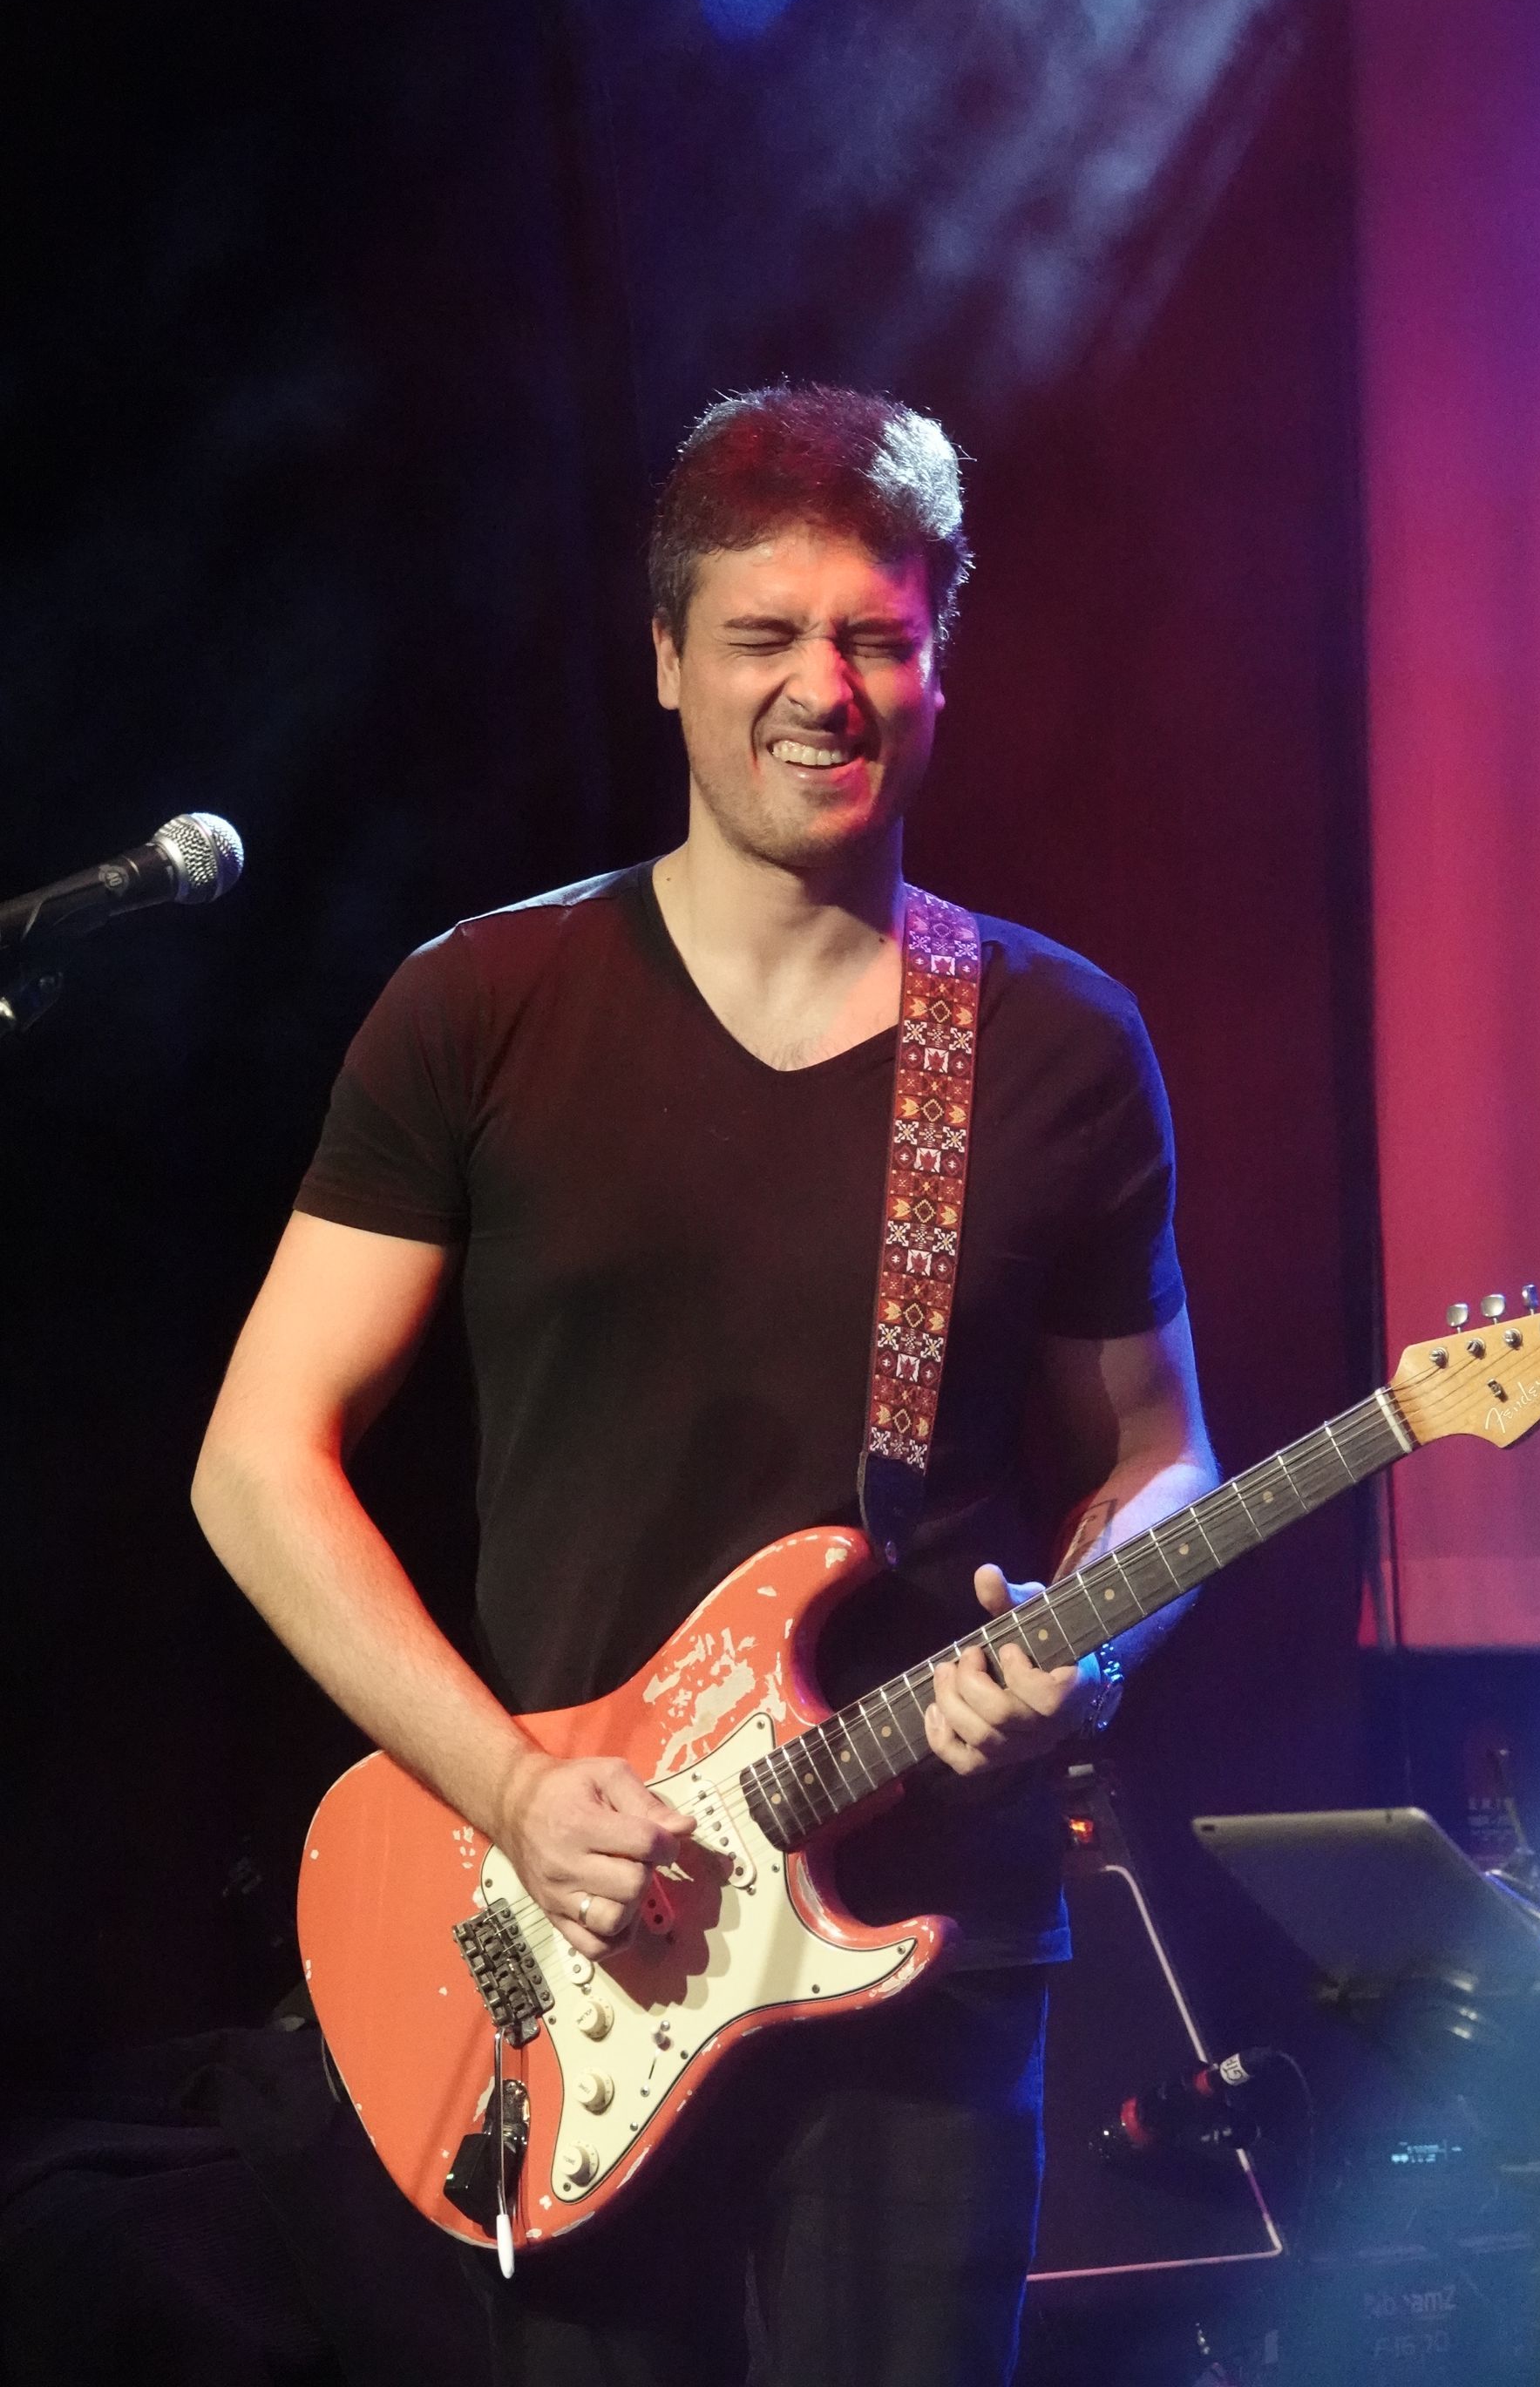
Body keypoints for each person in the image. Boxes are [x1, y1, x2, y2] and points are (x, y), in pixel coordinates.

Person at [192, 383, 1216, 2387]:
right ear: (666, 656)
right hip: (578, 1939)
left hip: (929, 1936)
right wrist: (508, 1788)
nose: (824, 690)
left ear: (940, 659)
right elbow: (256, 1463)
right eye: (765, 637)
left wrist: (1095, 1648)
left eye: (876, 639)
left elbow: (1162, 1461)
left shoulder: (1056, 1041)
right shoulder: (482, 1004)